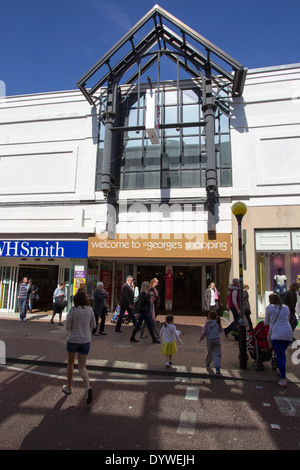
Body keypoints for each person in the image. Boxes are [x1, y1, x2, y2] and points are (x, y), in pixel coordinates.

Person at [62, 289, 96, 404]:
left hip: (73, 340)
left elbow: (67, 327)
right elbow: (94, 324)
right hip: (85, 340)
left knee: (70, 363)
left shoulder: (72, 310)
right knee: (82, 367)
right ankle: (88, 387)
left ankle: (69, 386)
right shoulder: (90, 309)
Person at [264, 293, 293, 388]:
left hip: (276, 333)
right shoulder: (285, 307)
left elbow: (266, 321)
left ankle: (283, 379)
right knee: (281, 354)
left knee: (280, 356)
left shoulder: (270, 308)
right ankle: (281, 370)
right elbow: (287, 319)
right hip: (287, 332)